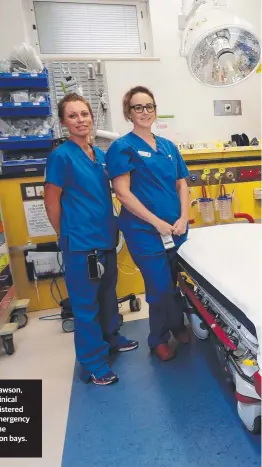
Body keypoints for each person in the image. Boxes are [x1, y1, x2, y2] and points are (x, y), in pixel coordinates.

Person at [44, 93, 138, 386]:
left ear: (91, 118)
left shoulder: (97, 154)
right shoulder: (61, 156)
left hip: (105, 238)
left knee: (108, 296)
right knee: (86, 307)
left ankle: (111, 338)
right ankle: (94, 363)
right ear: (63, 123)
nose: (80, 120)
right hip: (82, 245)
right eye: (73, 116)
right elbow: (51, 202)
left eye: (84, 114)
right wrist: (66, 233)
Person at [106, 86, 190, 362]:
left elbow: (182, 183)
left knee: (176, 283)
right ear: (128, 113)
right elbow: (123, 193)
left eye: (149, 106)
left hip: (176, 230)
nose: (145, 112)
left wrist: (183, 217)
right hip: (144, 232)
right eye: (138, 107)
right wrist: (157, 223)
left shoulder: (168, 147)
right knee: (159, 287)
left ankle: (177, 325)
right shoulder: (122, 147)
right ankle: (158, 338)